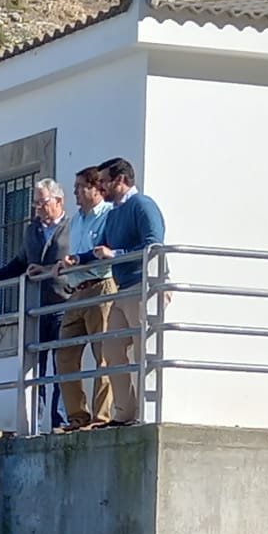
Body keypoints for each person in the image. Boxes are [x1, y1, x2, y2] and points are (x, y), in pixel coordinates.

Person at [0, 178, 69, 429]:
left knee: (62, 364)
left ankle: (59, 420)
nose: (38, 208)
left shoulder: (72, 227)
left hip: (63, 303)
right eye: (36, 203)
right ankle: (35, 422)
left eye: (43, 202)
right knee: (36, 366)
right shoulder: (32, 230)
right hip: (36, 308)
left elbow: (75, 262)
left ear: (58, 201)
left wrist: (47, 269)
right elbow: (20, 262)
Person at [86, 156, 166, 428]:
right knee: (112, 347)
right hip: (123, 289)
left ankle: (147, 414)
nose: (101, 188)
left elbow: (153, 245)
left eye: (105, 182)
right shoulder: (114, 213)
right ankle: (124, 413)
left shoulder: (142, 205)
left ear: (121, 180)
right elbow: (103, 247)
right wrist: (77, 260)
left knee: (145, 351)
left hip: (144, 286)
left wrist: (116, 254)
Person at [51, 166, 119, 430]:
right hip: (77, 289)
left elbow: (105, 250)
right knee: (65, 354)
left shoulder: (108, 215)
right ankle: (77, 417)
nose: (76, 193)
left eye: (80, 187)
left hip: (101, 285)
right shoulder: (76, 219)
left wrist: (79, 260)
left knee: (102, 353)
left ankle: (101, 417)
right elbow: (74, 254)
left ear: (95, 188)